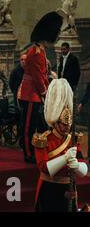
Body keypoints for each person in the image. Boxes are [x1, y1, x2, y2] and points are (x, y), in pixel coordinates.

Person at [32, 79, 88, 212]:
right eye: (64, 124)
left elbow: (84, 167)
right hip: (50, 188)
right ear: (56, 122)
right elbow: (44, 168)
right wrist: (65, 158)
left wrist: (78, 166)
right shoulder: (43, 139)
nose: (67, 127)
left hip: (69, 187)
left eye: (69, 124)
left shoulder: (73, 139)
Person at [18, 12, 62, 163]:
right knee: (28, 127)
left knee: (36, 125)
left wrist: (49, 90)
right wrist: (44, 92)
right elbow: (37, 77)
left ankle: (34, 151)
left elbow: (43, 75)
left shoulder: (40, 50)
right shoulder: (36, 52)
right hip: (31, 94)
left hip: (35, 93)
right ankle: (27, 153)